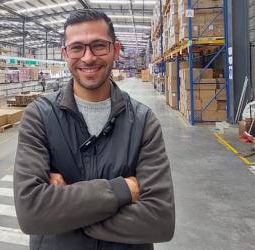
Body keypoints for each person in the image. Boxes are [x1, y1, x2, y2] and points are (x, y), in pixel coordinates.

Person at [14, 9, 175, 250]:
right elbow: (31, 213)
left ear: (116, 50)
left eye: (99, 46)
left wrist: (66, 213)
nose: (88, 58)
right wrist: (124, 189)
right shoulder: (40, 117)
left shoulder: (143, 121)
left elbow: (159, 220)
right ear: (65, 54)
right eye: (77, 48)